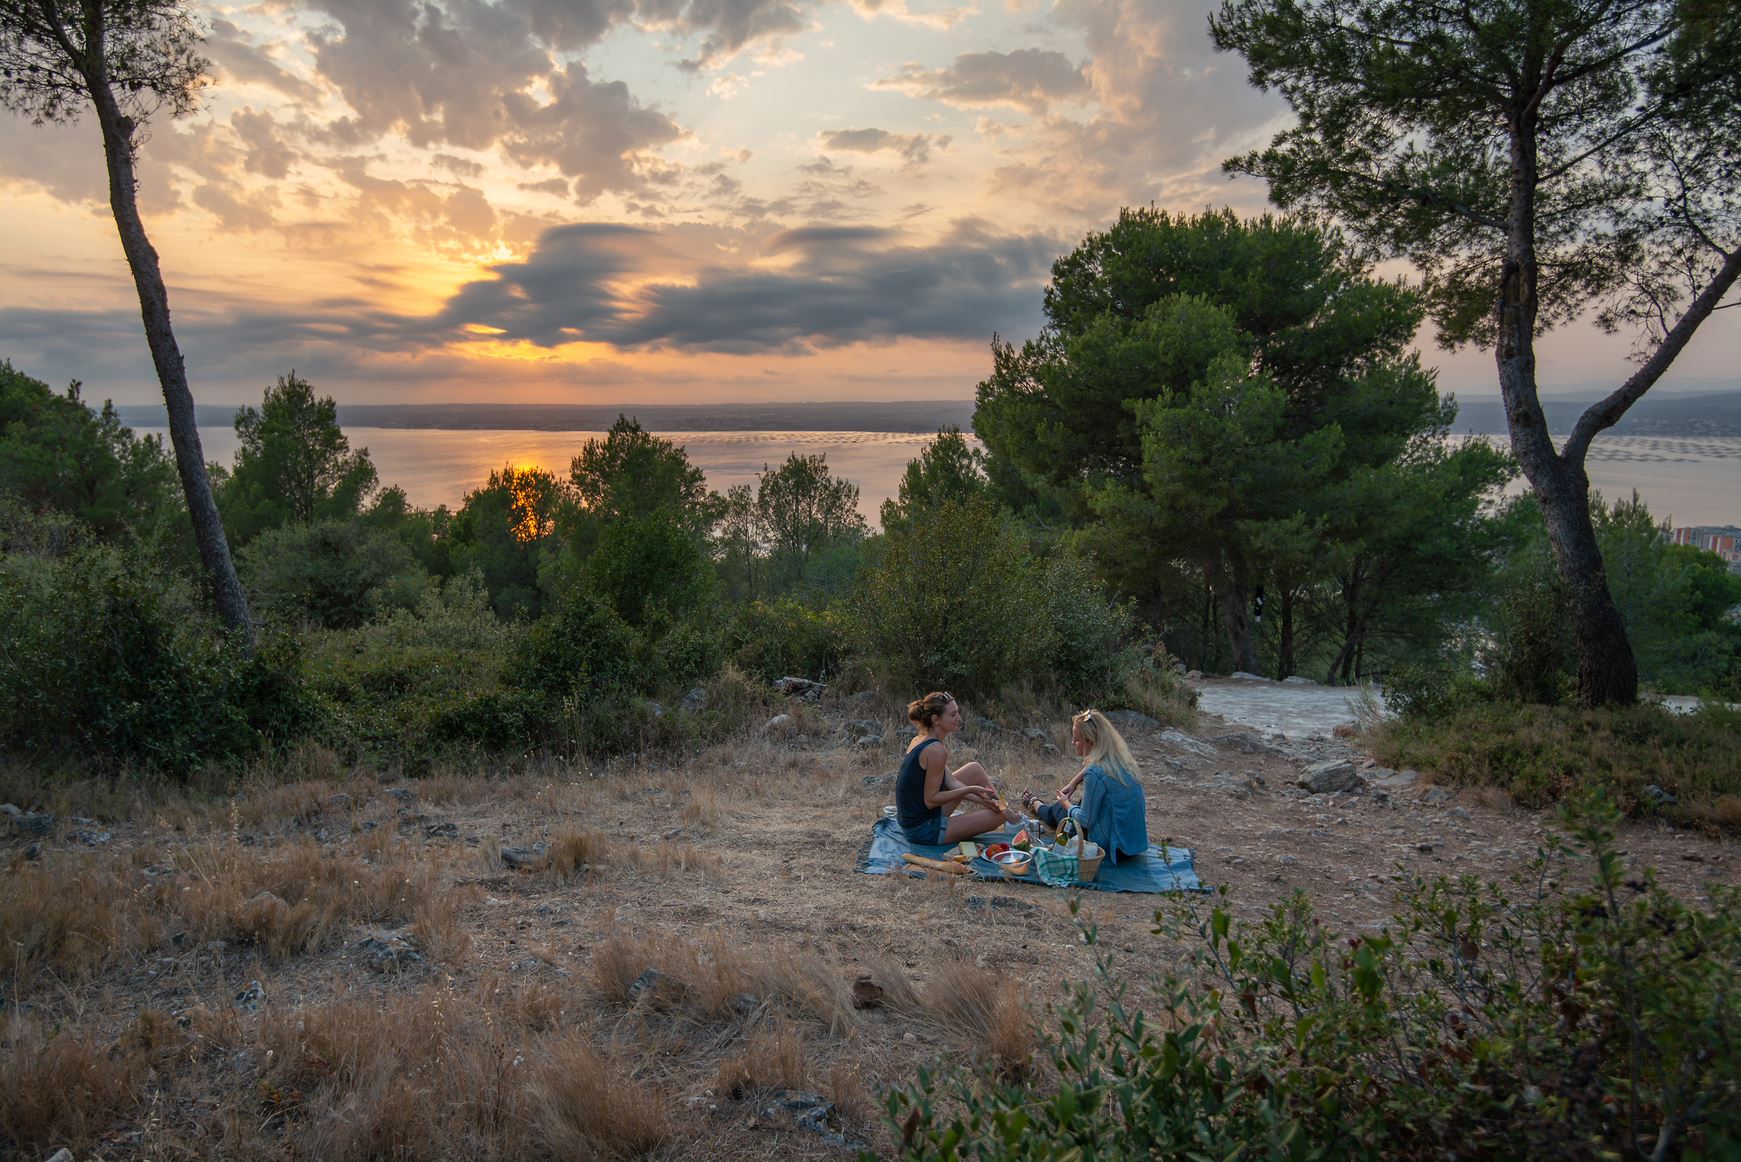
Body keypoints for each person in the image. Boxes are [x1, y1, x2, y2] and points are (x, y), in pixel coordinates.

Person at [1020, 709, 1149, 866]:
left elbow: (1085, 820)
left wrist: (1066, 803)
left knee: (1058, 812)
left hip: (1112, 849)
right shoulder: (1121, 760)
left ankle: (1035, 803)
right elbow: (1093, 769)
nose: (1073, 743)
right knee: (1078, 804)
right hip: (1133, 845)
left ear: (1090, 741)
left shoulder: (1095, 773)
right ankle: (1039, 804)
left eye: (1076, 740)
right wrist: (1074, 782)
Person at [895, 691, 1017, 845]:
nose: (958, 718)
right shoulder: (936, 750)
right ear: (935, 719)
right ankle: (1009, 816)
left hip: (922, 817)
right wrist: (970, 790)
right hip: (922, 830)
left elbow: (951, 782)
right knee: (1000, 816)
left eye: (957, 712)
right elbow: (931, 800)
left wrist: (985, 801)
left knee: (974, 768)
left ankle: (1008, 811)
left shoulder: (922, 738)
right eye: (952, 715)